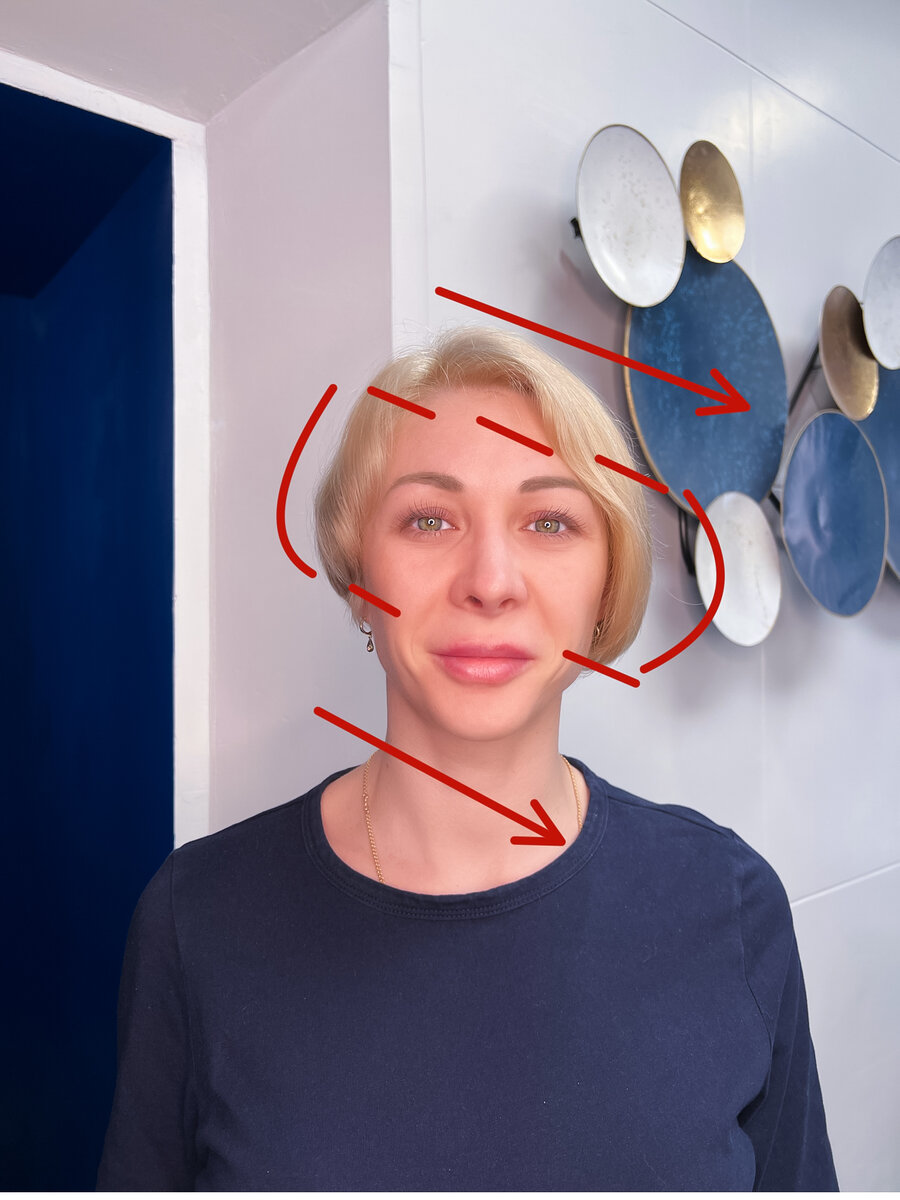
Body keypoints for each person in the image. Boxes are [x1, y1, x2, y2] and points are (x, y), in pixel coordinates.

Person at [97, 326, 839, 1190]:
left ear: (605, 591)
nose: (490, 581)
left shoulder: (730, 906)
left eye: (550, 522)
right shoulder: (196, 922)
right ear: (359, 576)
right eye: (429, 519)